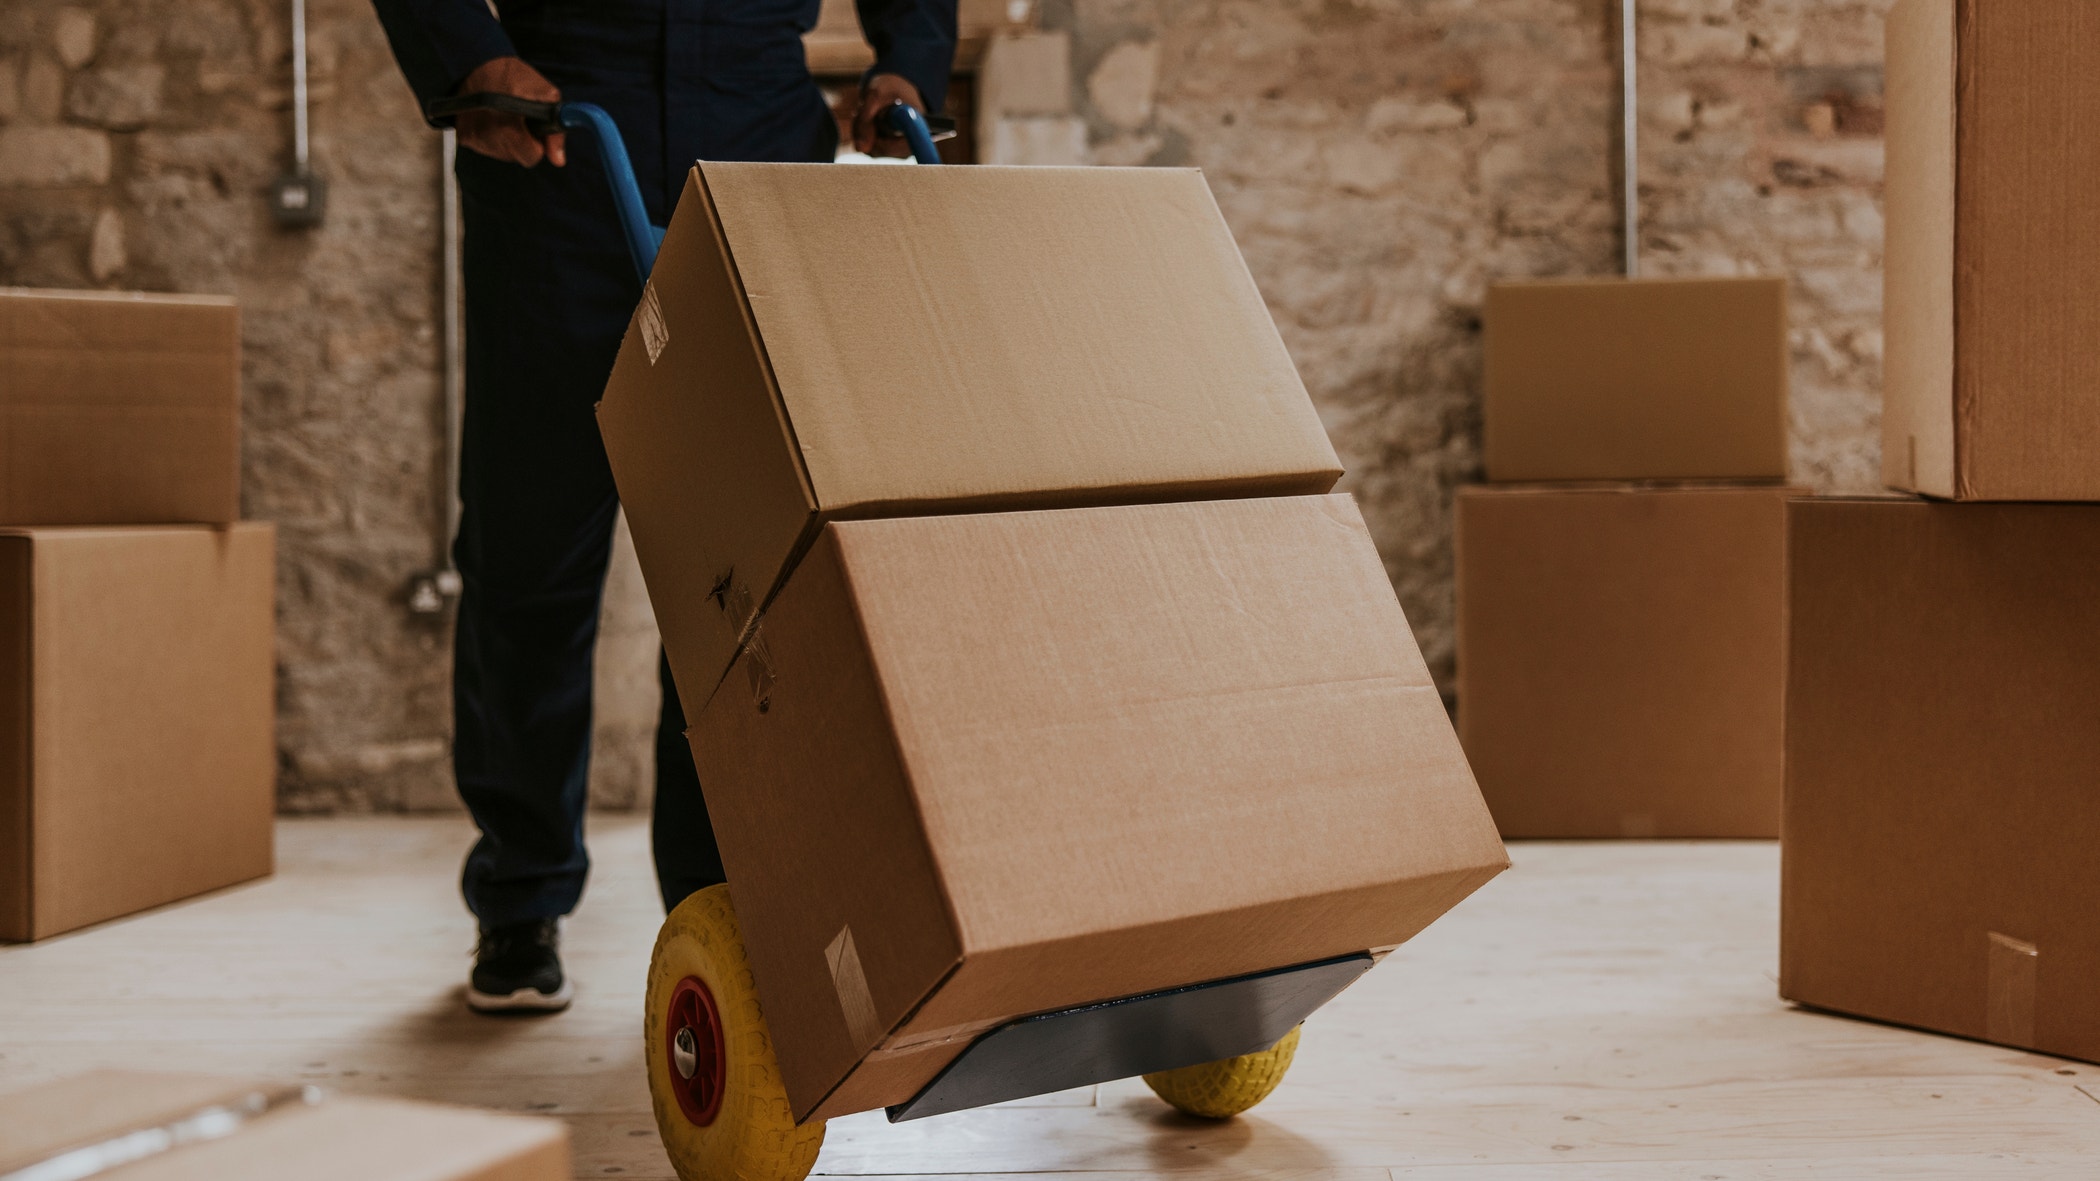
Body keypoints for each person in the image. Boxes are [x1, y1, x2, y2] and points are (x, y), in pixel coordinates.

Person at [371, 0, 957, 1014]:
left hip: (754, 142)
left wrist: (911, 64)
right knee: (529, 542)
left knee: (738, 567)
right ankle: (521, 887)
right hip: (556, 145)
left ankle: (719, 902)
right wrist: (472, 60)